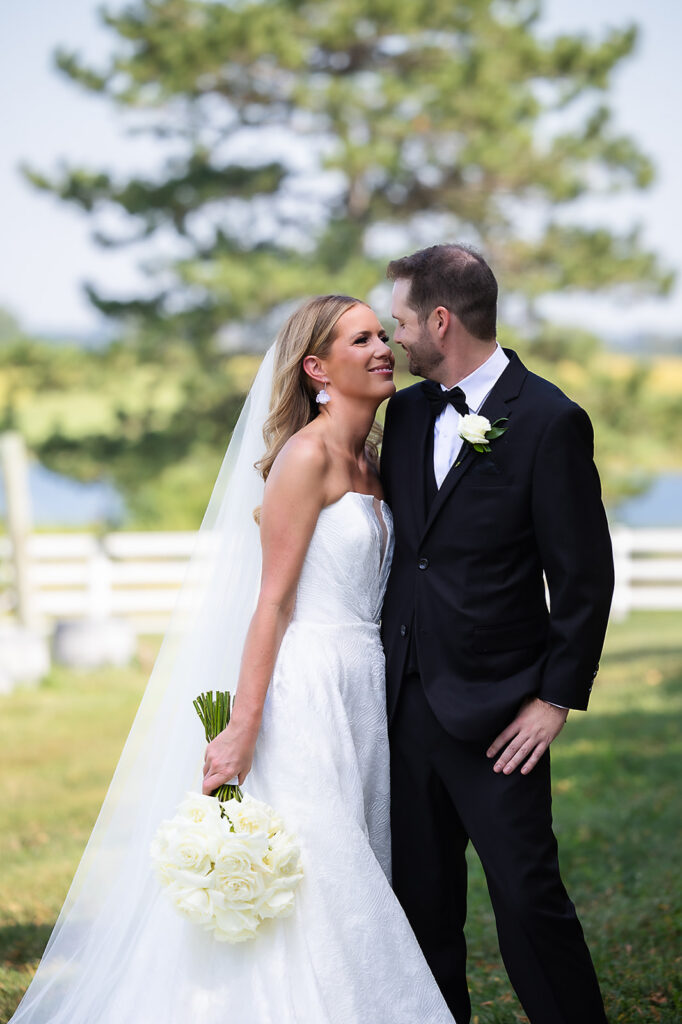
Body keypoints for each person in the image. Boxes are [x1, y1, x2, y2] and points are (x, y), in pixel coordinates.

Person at [9, 295, 456, 1024]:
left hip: (363, 686)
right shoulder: (305, 457)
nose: (383, 349)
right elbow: (271, 604)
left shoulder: (371, 459)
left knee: (353, 859)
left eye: (384, 335)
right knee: (326, 871)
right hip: (304, 686)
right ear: (317, 368)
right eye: (361, 340)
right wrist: (244, 724)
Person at [380, 243, 615, 1024]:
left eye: (401, 322)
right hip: (403, 702)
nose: (392, 338)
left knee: (527, 898)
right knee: (421, 906)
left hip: (500, 714)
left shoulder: (549, 420)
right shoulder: (407, 411)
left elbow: (583, 578)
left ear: (441, 322)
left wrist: (554, 698)